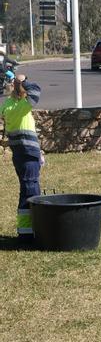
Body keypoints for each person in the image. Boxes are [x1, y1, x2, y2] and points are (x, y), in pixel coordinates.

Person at [1, 75, 42, 241]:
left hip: (18, 153)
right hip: (28, 153)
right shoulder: (23, 106)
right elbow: (36, 91)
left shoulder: (7, 106)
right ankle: (27, 232)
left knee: (28, 188)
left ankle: (33, 227)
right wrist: (23, 80)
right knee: (30, 191)